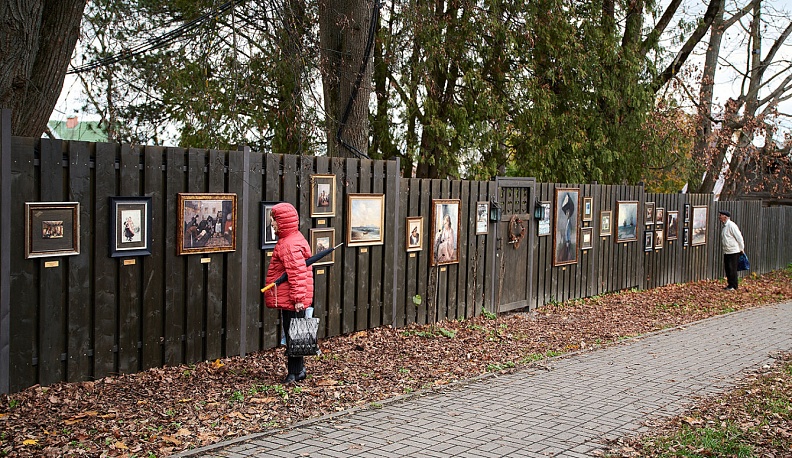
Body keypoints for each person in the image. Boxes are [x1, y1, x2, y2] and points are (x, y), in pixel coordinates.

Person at [264, 202, 314, 383]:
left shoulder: (288, 244)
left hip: (293, 299)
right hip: (292, 297)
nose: (272, 224)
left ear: (283, 221)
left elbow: (297, 272)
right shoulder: (293, 238)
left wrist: (298, 298)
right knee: (296, 333)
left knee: (293, 333)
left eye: (275, 220)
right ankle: (298, 369)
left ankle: (296, 372)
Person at [719, 210, 745, 291]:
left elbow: (739, 237)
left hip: (733, 251)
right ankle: (730, 284)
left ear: (725, 217)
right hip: (727, 250)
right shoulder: (725, 226)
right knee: (728, 268)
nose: (719, 217)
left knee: (732, 269)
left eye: (721, 215)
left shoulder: (731, 226)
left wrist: (741, 248)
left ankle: (733, 285)